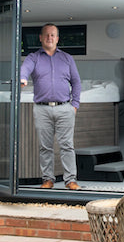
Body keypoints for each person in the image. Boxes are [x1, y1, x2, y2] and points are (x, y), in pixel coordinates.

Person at [20, 23, 82, 190]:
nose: (49, 37)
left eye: (53, 35)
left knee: (67, 146)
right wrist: (22, 78)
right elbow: (25, 69)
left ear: (57, 38)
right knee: (45, 147)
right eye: (46, 35)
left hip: (65, 108)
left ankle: (70, 180)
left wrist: (74, 105)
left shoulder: (67, 58)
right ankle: (48, 180)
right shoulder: (34, 57)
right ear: (40, 38)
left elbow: (76, 82)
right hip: (42, 109)